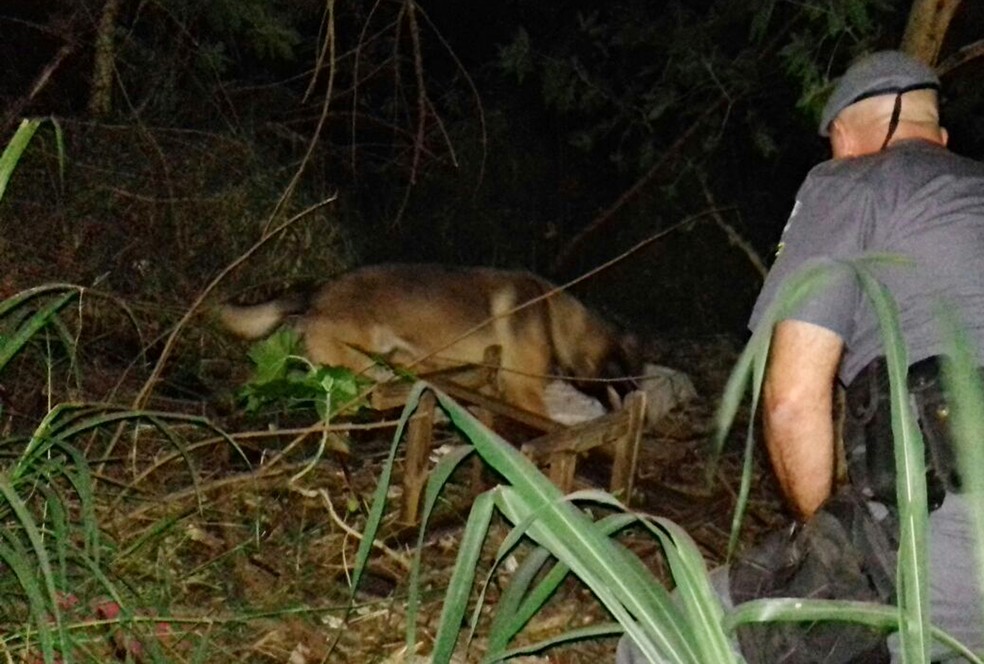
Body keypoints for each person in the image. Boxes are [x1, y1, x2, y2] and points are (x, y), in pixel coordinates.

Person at [616, 50, 984, 663]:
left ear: (842, 137)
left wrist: (832, 543)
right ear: (940, 137)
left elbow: (791, 400)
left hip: (951, 546)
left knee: (661, 639)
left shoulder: (849, 183)